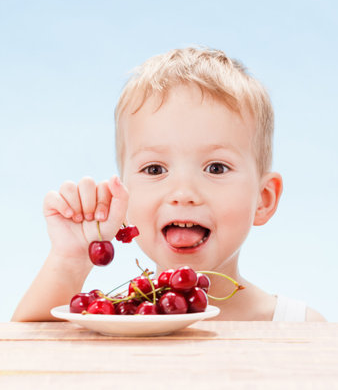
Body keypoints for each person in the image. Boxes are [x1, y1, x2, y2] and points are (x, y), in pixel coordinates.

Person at [12, 47, 326, 322]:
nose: (183, 193)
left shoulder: (298, 326)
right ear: (122, 199)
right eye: (155, 168)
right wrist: (71, 260)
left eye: (215, 168)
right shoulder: (110, 319)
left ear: (263, 199)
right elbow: (22, 363)